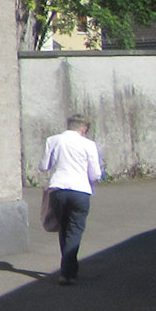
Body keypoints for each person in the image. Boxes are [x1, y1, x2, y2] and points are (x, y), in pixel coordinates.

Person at [40, 114, 103, 285]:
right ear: (83, 129)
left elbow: (44, 166)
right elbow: (96, 173)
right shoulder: (88, 144)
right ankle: (68, 271)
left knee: (64, 227)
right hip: (80, 190)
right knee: (75, 229)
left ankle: (68, 269)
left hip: (58, 189)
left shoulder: (53, 140)